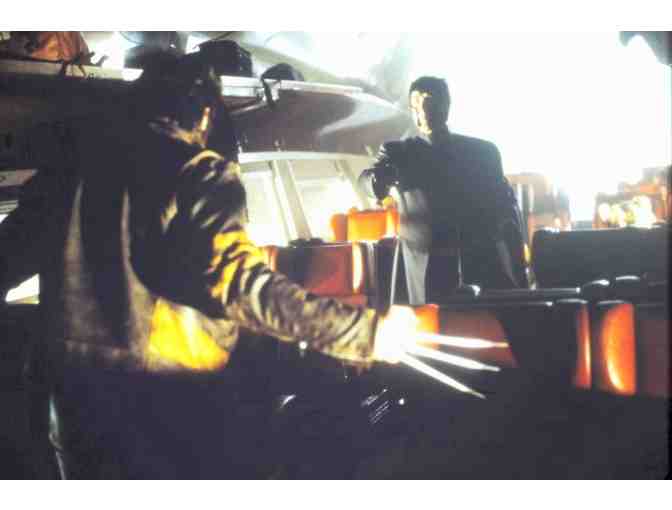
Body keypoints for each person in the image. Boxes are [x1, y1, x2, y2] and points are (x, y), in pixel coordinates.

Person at [0, 57, 414, 479]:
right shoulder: (195, 171)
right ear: (204, 113)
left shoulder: (65, 176)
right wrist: (364, 333)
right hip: (165, 407)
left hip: (73, 409)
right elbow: (239, 283)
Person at [359, 76, 528, 305]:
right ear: (412, 110)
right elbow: (366, 180)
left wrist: (518, 269)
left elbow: (507, 212)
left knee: (484, 320)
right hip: (425, 265)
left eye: (429, 102)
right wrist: (377, 181)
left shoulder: (484, 153)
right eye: (417, 105)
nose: (423, 111)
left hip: (481, 259)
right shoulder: (398, 153)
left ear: (446, 106)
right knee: (432, 321)